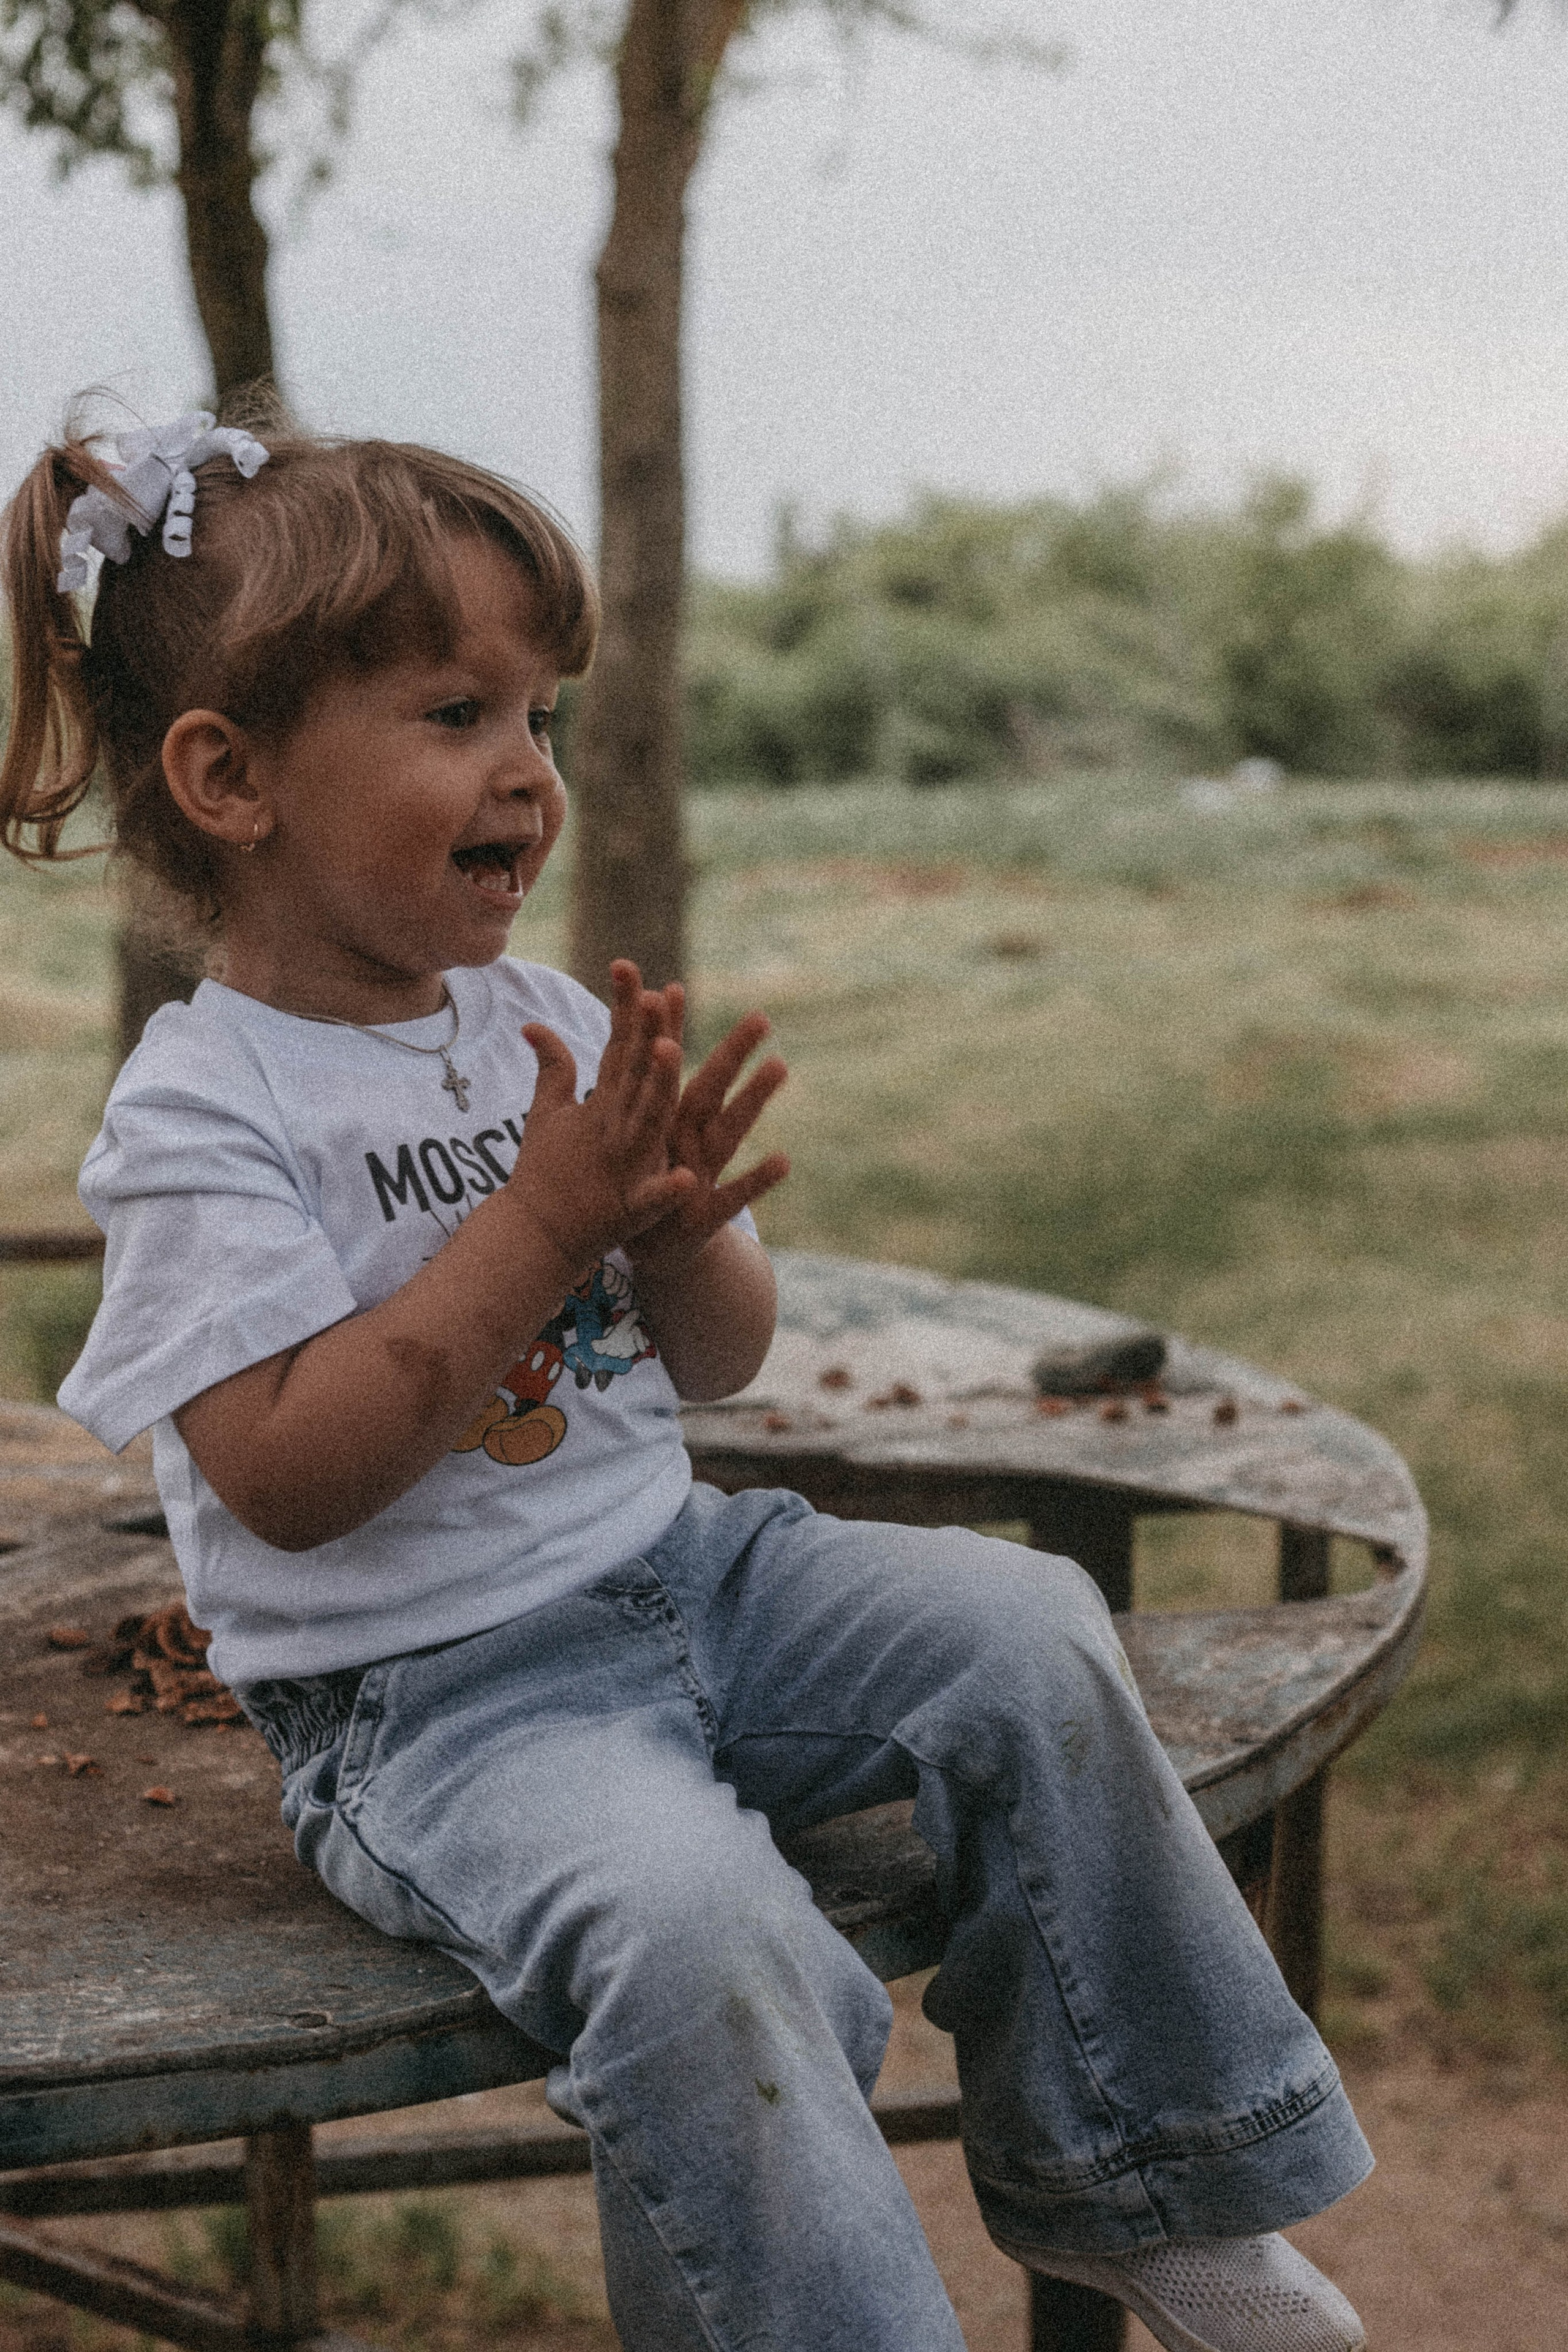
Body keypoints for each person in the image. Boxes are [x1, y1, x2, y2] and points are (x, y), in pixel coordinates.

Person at [2, 407, 1372, 2352]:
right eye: (459, 713)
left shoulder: (543, 1023)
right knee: (709, 1944)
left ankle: (1146, 2185)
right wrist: (542, 1229)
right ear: (231, 778)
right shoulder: (201, 1114)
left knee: (1035, 1630)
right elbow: (293, 1476)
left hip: (703, 1577)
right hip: (434, 1707)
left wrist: (670, 1228)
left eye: (544, 719)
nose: (528, 776)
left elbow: (719, 1364)